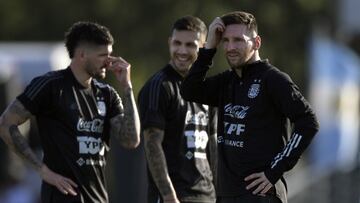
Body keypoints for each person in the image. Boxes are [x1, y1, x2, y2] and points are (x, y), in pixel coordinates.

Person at [181, 11, 320, 203]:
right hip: (226, 194)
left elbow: (308, 122)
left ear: (256, 43)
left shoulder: (273, 80)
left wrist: (274, 171)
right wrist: (209, 47)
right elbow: (189, 91)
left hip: (261, 195)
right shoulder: (226, 82)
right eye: (226, 41)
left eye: (238, 40)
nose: (230, 47)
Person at [0, 21, 140, 203]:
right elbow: (6, 123)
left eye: (110, 54)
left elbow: (131, 140)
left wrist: (127, 87)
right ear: (82, 55)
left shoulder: (107, 94)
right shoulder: (50, 86)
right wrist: (43, 171)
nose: (109, 61)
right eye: (103, 55)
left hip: (98, 199)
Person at [138, 16, 217, 203]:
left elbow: (213, 147)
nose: (182, 51)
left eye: (190, 45)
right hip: (175, 197)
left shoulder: (208, 90)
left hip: (207, 196)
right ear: (169, 43)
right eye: (177, 43)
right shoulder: (159, 86)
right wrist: (167, 196)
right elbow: (152, 145)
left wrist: (220, 193)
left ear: (204, 47)